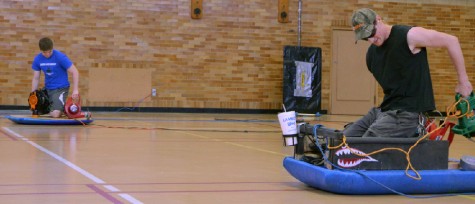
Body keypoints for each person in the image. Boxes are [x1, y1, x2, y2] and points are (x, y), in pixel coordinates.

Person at [344, 8, 473, 137]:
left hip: (409, 113)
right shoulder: (371, 56)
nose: (371, 40)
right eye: (365, 38)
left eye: (371, 33)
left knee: (366, 145)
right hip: (384, 110)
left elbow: (451, 41)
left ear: (378, 19)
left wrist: (463, 81)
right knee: (344, 139)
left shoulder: (409, 36)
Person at [31, 37, 80, 118]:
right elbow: (36, 78)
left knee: (55, 114)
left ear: (52, 48)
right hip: (47, 89)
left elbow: (75, 72)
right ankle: (53, 106)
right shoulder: (38, 59)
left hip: (60, 88)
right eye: (44, 52)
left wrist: (75, 90)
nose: (47, 54)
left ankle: (62, 108)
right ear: (40, 51)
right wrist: (33, 94)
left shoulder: (60, 57)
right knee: (36, 110)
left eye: (50, 51)